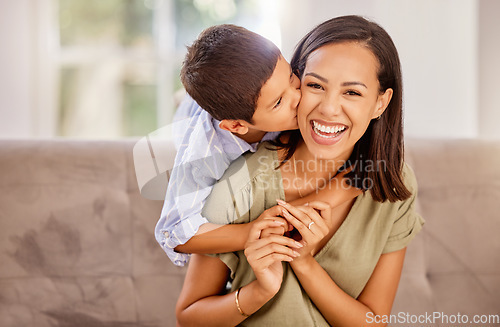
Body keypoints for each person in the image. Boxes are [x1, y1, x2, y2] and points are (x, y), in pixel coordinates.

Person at [175, 15, 425, 326]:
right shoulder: (237, 182)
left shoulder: (392, 183)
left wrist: (305, 264)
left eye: (352, 92)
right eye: (315, 85)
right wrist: (258, 292)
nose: (329, 108)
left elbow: (372, 321)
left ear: (381, 102)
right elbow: (189, 316)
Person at [155, 24, 361, 266]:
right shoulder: (205, 155)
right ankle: (182, 99)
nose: (299, 99)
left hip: (238, 110)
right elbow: (175, 234)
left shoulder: (282, 101)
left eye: (292, 79)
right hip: (190, 119)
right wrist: (251, 231)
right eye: (279, 102)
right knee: (187, 109)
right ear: (237, 127)